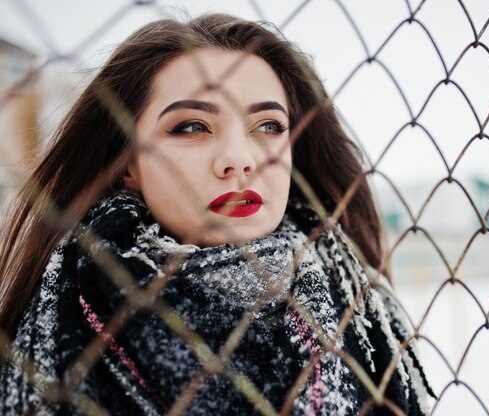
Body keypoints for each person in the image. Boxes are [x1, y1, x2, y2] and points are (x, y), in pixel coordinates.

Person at [0, 13, 434, 415]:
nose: (239, 160)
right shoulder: (63, 319)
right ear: (128, 164)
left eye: (268, 127)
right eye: (192, 127)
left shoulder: (354, 305)